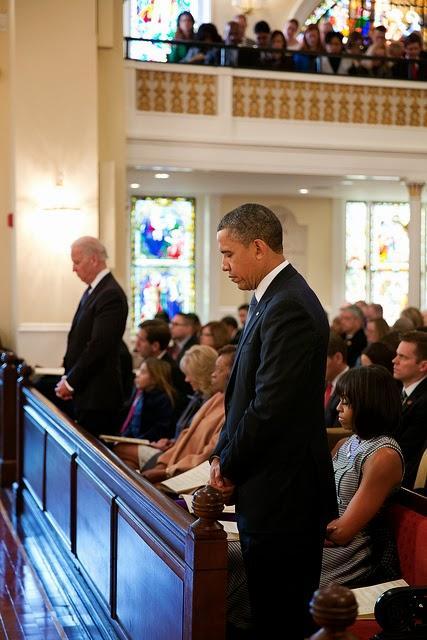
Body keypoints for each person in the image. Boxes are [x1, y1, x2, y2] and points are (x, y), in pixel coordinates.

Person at [209, 203, 337, 638]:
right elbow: (241, 394)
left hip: (286, 493)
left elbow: (270, 407)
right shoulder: (270, 299)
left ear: (258, 248)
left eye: (228, 254)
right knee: (267, 611)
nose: (224, 265)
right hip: (269, 486)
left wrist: (230, 464)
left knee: (281, 618)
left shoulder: (290, 305)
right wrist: (221, 454)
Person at [321, 366, 403, 588]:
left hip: (350, 556)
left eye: (346, 402)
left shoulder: (384, 454)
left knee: (240, 557)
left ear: (369, 404)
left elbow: (343, 533)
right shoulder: (344, 443)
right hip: (323, 541)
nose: (338, 408)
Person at [55, 237, 128, 435]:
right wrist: (67, 375)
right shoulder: (95, 290)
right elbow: (78, 339)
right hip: (86, 392)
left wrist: (71, 382)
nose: (73, 269)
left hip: (98, 397)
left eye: (76, 262)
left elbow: (99, 346)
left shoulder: (110, 293)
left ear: (94, 260)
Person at [142, 346, 236, 483]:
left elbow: (209, 453)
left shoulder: (230, 408)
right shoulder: (217, 398)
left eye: (219, 370)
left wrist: (166, 472)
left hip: (187, 474)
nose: (213, 374)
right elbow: (186, 434)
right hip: (175, 464)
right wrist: (163, 464)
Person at [392, 331, 427, 488]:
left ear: (423, 366)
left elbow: (405, 452)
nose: (394, 361)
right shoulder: (400, 391)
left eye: (403, 357)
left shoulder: (424, 402)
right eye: (396, 355)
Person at [118, 358, 175, 441]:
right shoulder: (140, 393)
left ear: (155, 378)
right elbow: (130, 420)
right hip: (133, 438)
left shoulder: (163, 399)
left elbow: (160, 429)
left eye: (143, 372)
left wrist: (138, 440)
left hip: (150, 441)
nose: (137, 374)